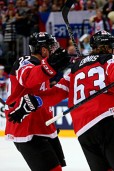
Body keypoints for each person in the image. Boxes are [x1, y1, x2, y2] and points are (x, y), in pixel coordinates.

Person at [8, 30, 114, 171]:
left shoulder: (74, 68)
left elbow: (58, 92)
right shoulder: (109, 59)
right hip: (107, 119)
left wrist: (37, 100)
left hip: (83, 129)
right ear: (108, 47)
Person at [5, 32, 70, 171]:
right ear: (43, 49)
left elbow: (44, 96)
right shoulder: (26, 61)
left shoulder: (42, 66)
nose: (54, 51)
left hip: (40, 126)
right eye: (51, 47)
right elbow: (27, 79)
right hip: (26, 127)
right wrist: (50, 65)